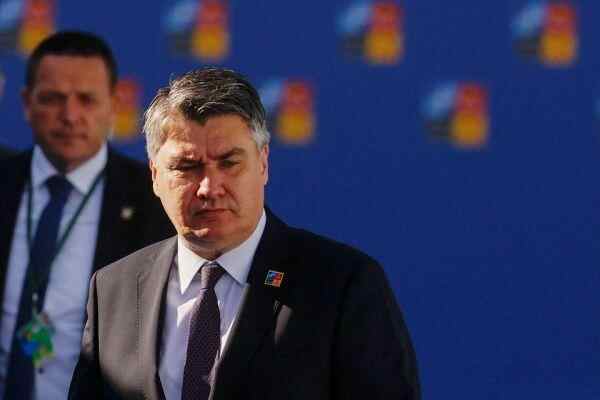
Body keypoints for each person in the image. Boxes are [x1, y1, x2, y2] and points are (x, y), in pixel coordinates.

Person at [69, 68, 420, 400]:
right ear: (155, 175)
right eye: (187, 167)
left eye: (229, 163)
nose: (209, 187)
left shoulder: (342, 285)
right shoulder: (112, 288)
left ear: (263, 164)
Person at [0, 31, 173, 400]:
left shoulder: (157, 202)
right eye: (52, 99)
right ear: (27, 103)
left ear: (114, 105)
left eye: (87, 100)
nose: (70, 116)